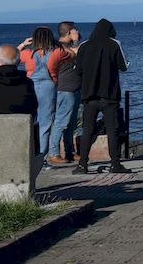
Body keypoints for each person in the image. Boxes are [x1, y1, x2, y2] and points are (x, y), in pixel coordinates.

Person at [73, 19, 130, 175]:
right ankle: (115, 164)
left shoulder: (85, 45)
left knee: (87, 130)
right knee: (113, 130)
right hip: (109, 95)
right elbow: (123, 66)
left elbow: (77, 70)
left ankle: (82, 165)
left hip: (89, 95)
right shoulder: (114, 44)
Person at [17, 27, 58, 161]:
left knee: (28, 121)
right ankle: (41, 158)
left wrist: (23, 44)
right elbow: (72, 54)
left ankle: (26, 155)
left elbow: (10, 56)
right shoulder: (56, 53)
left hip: (30, 86)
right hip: (48, 87)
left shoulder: (28, 53)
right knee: (45, 123)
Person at [45, 21, 81, 165]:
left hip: (74, 87)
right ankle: (53, 153)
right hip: (65, 89)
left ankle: (69, 151)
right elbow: (75, 53)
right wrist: (76, 40)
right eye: (74, 31)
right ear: (68, 33)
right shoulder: (58, 48)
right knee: (61, 122)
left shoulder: (66, 47)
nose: (77, 33)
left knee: (71, 123)